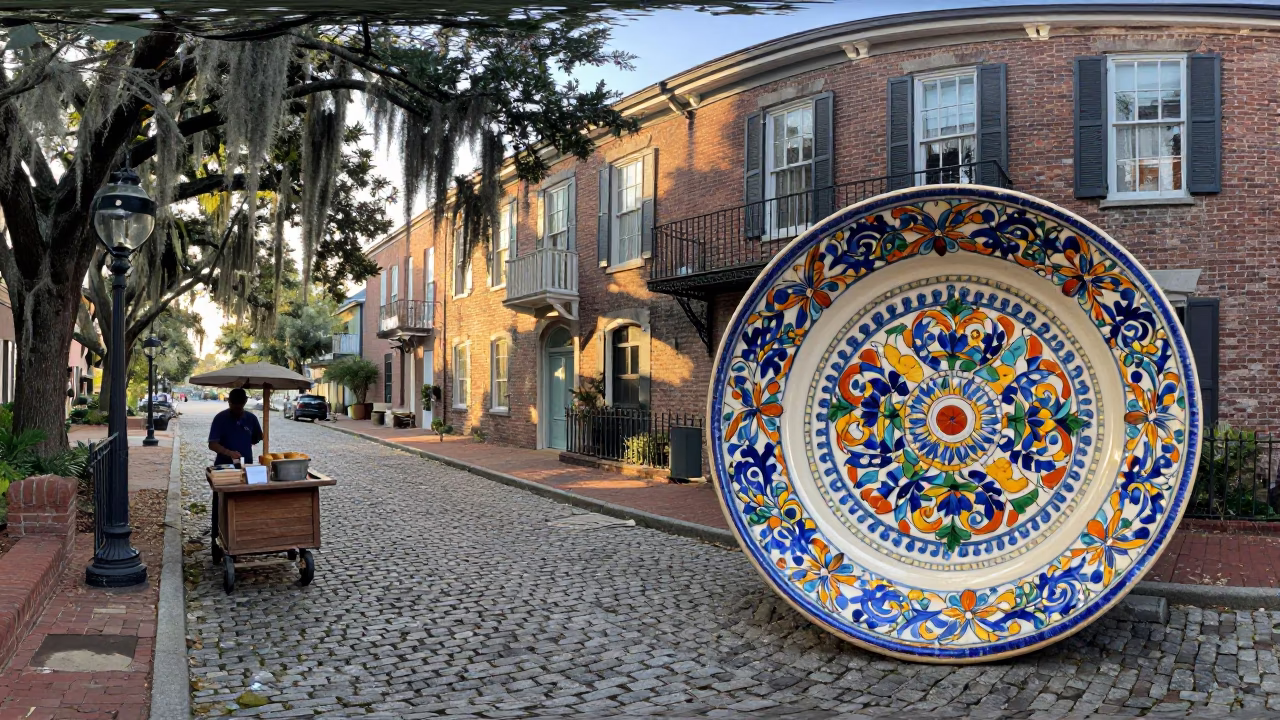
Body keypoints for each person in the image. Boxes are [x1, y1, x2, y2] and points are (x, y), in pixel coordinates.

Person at [207, 388, 263, 466]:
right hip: (224, 466)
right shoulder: (220, 418)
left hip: (246, 464)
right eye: (234, 405)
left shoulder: (251, 418)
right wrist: (229, 453)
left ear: (245, 402)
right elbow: (212, 444)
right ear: (229, 402)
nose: (237, 409)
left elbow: (257, 438)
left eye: (239, 406)